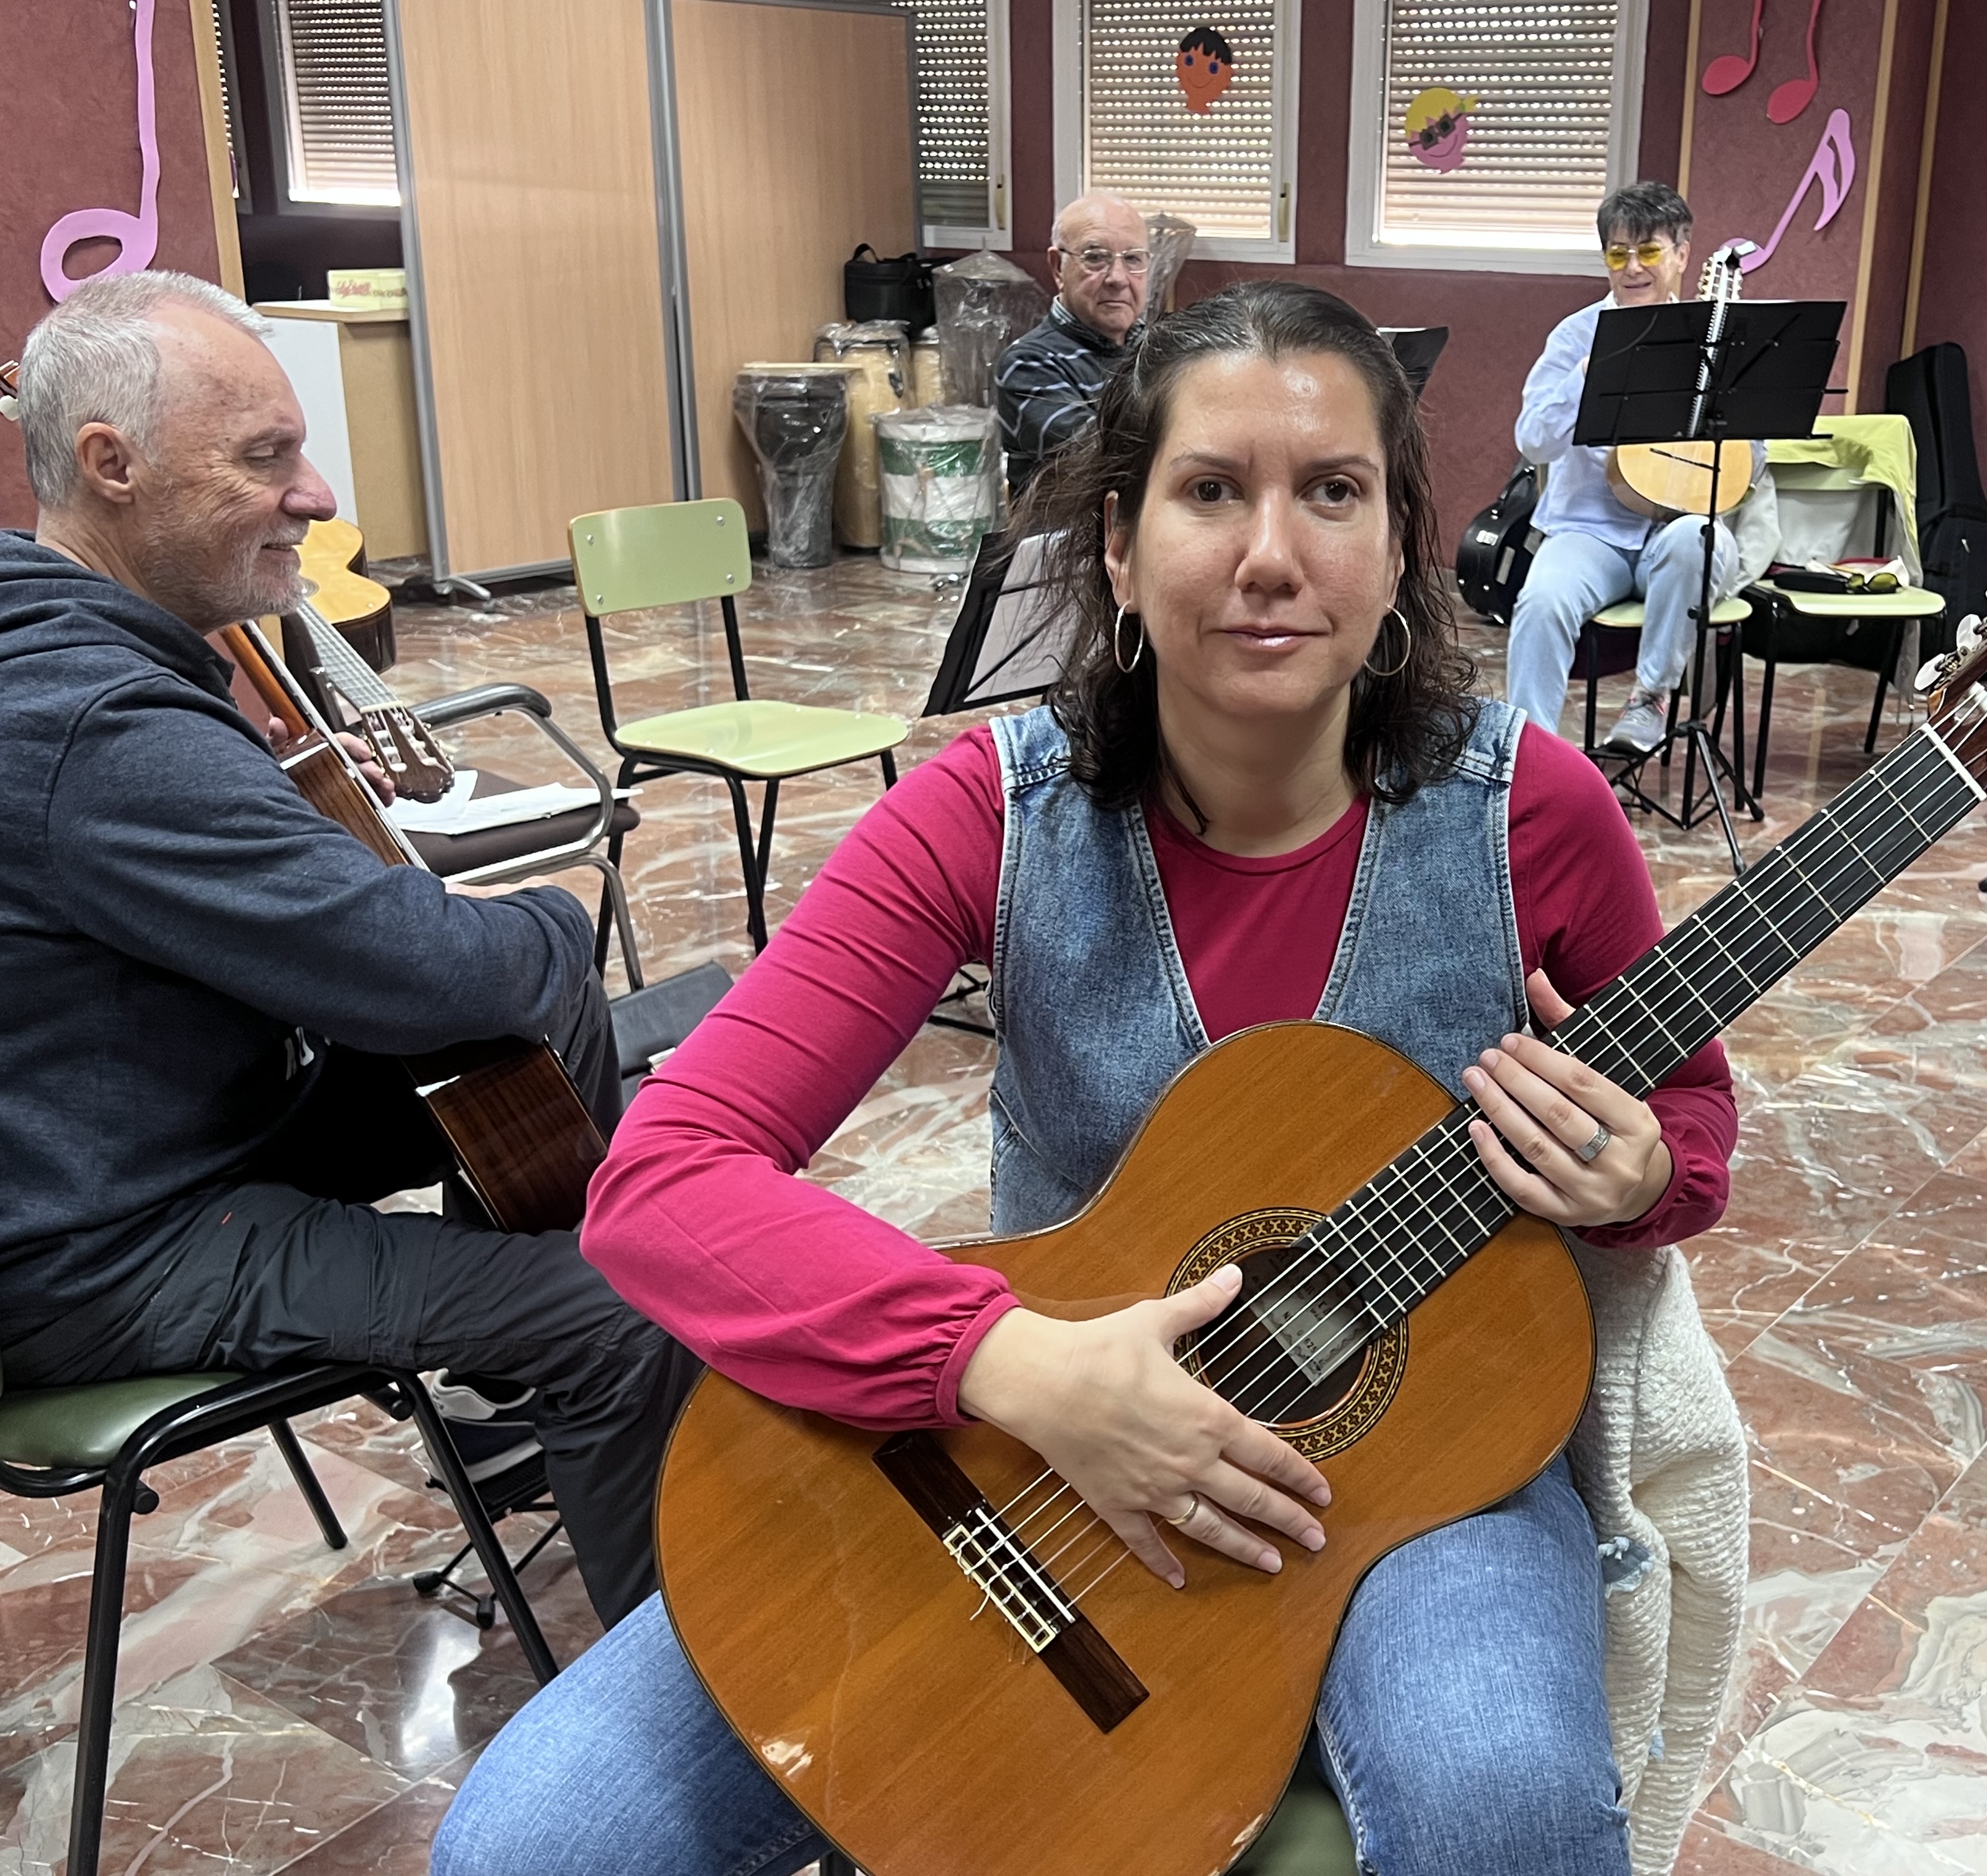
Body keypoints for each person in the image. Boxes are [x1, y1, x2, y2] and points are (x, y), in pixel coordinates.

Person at [433, 282, 1749, 1876]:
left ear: (1403, 542)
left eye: (1335, 492)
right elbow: (663, 1180)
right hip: (1006, 1454)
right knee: (531, 1845)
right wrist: (1022, 1368)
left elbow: (1691, 1117)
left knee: (1509, 1814)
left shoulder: (1533, 813)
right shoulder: (987, 815)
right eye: (1213, 491)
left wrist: (1639, 1175)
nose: (1273, 555)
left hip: (1421, 1473)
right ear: (1118, 548)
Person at [0, 270, 698, 1627]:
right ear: (111, 465)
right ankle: (676, 1697)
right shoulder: (97, 723)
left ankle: (528, 1374)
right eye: (265, 458)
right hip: (99, 1245)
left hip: (150, 1129)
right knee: (623, 1310)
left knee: (534, 1034)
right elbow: (425, 971)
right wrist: (558, 920)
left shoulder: (63, 640)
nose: (314, 495)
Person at [1504, 181, 1780, 755]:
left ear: (1682, 255)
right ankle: (1531, 755)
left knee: (1697, 539)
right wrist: (1585, 377)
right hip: (1587, 533)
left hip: (1676, 536)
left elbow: (1750, 462)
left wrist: (1722, 435)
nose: (1633, 267)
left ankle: (1650, 699)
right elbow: (1532, 442)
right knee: (1541, 603)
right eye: (1617, 254)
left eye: (1649, 251)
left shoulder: (1717, 343)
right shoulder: (1575, 336)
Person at [993, 190, 1150, 489]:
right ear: (1058, 268)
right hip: (1080, 521)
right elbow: (1102, 461)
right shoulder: (1028, 365)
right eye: (1096, 258)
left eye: (1132, 259)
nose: (1118, 278)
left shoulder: (1156, 348)